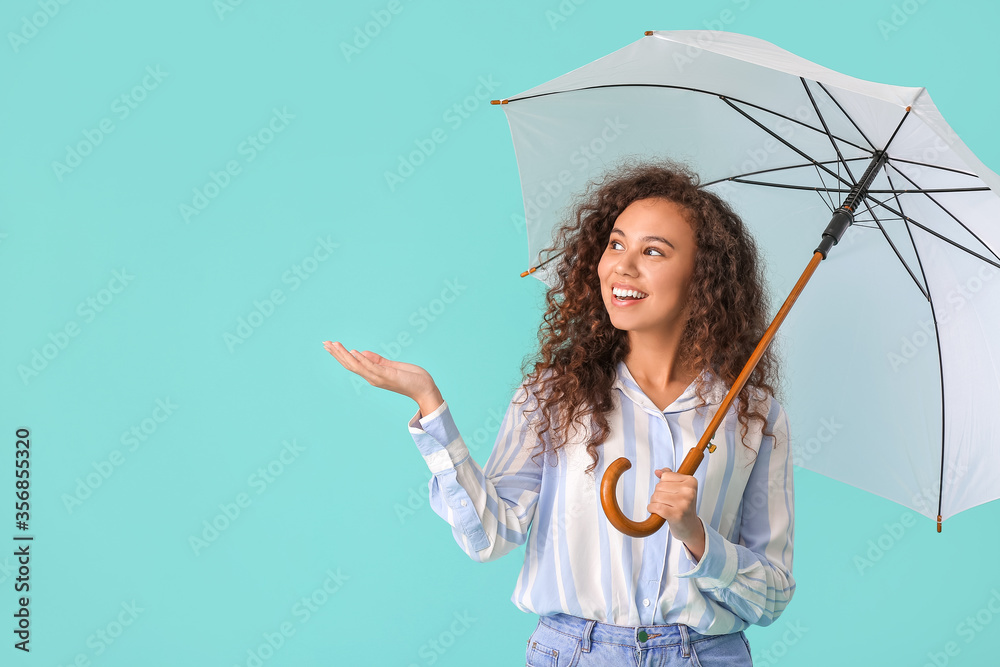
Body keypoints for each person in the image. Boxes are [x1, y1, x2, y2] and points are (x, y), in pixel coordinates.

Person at [324, 159, 795, 666]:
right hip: (577, 654)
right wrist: (430, 405)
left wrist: (696, 536)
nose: (622, 267)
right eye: (616, 244)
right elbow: (489, 536)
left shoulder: (753, 416)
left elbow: (770, 597)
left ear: (703, 277)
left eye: (653, 251)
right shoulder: (555, 396)